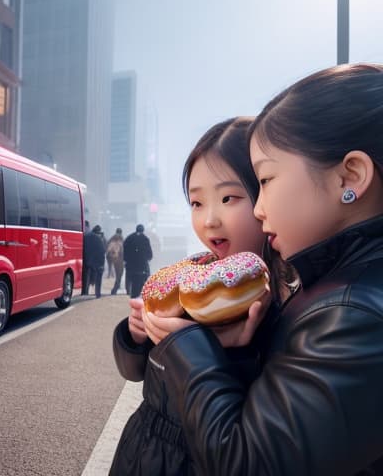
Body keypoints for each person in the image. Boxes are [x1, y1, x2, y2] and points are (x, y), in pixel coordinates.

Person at [125, 63, 383, 475]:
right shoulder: (320, 283)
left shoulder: (349, 311)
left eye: (263, 182)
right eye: (195, 202)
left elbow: (247, 458)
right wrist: (140, 335)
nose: (261, 210)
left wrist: (194, 346)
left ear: (351, 176)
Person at [110, 116, 289, 474]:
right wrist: (135, 337)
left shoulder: (283, 300)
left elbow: (254, 440)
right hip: (142, 451)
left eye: (228, 198)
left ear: (265, 196)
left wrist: (224, 348)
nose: (209, 220)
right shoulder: (191, 282)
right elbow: (135, 372)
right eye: (196, 203)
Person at [123, 224, 153, 298]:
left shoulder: (129, 238)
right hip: (142, 265)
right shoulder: (145, 239)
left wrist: (126, 260)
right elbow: (150, 254)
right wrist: (148, 258)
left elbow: (125, 250)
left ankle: (128, 291)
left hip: (131, 265)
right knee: (146, 278)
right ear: (143, 230)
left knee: (129, 278)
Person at [82, 224, 106, 298]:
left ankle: (85, 293)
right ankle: (97, 293)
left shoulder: (85, 236)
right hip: (97, 262)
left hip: (86, 260)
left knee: (86, 278)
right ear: (98, 232)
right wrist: (102, 263)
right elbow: (102, 251)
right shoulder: (99, 239)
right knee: (98, 278)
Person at [106, 228, 124, 295]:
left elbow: (107, 245)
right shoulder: (121, 238)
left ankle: (110, 275)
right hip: (119, 258)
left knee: (116, 272)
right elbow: (123, 249)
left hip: (110, 256)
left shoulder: (112, 238)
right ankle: (115, 288)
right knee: (120, 274)